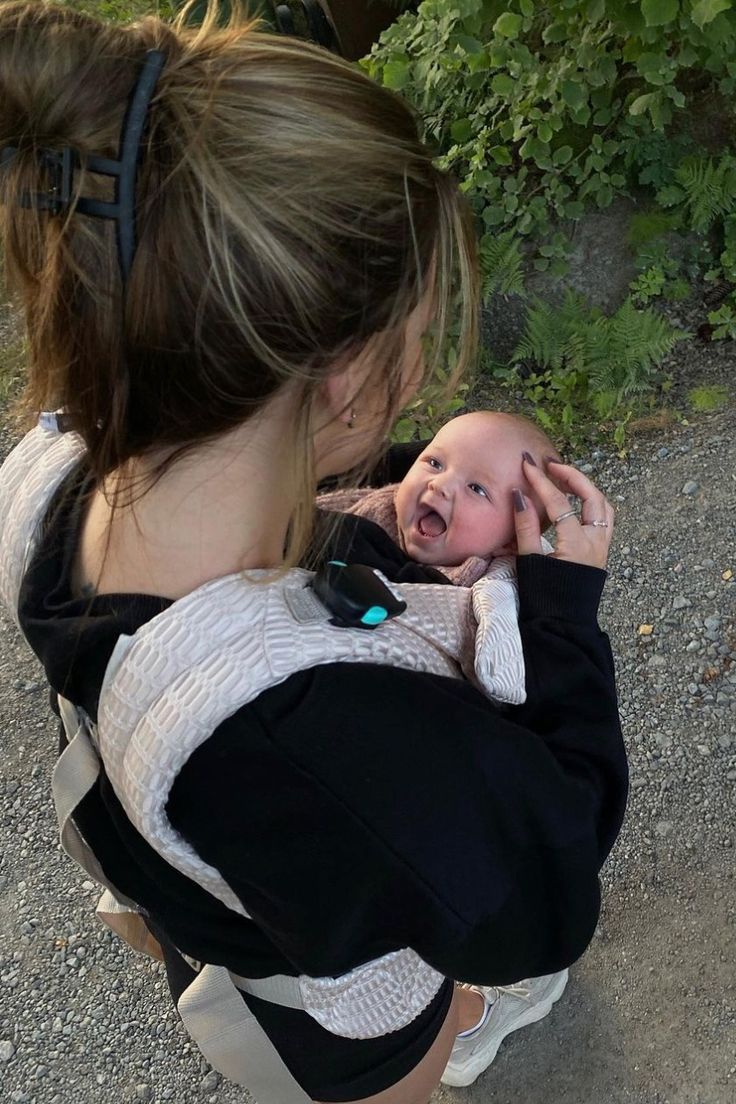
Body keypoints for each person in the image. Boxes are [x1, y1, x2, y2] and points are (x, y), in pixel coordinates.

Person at [0, 3, 627, 1103]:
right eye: (416, 344)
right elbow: (541, 892)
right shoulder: (331, 733)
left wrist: (396, 486)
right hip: (345, 1038)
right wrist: (563, 615)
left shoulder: (48, 476)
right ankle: (471, 1020)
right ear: (337, 376)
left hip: (209, 902)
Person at [317, 410, 562, 586]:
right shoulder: (380, 503)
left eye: (476, 488)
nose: (440, 484)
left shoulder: (480, 591)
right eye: (434, 463)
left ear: (510, 544)